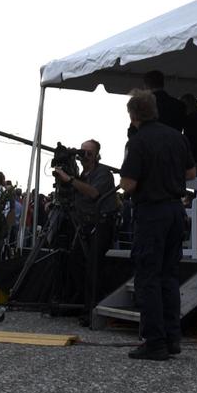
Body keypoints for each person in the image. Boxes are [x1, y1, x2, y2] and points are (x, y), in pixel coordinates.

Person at [120, 89, 196, 361]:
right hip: (176, 211)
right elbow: (191, 172)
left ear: (134, 114)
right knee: (168, 277)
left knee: (148, 278)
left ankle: (154, 342)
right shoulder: (177, 136)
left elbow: (128, 184)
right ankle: (172, 338)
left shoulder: (139, 141)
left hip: (151, 214)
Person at [54, 140, 119, 327]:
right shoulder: (81, 174)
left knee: (93, 266)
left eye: (89, 153)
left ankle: (92, 310)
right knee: (76, 263)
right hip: (85, 225)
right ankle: (81, 304)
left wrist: (70, 180)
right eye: (82, 152)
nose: (85, 156)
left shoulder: (103, 173)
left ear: (97, 155)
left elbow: (93, 193)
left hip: (102, 224)